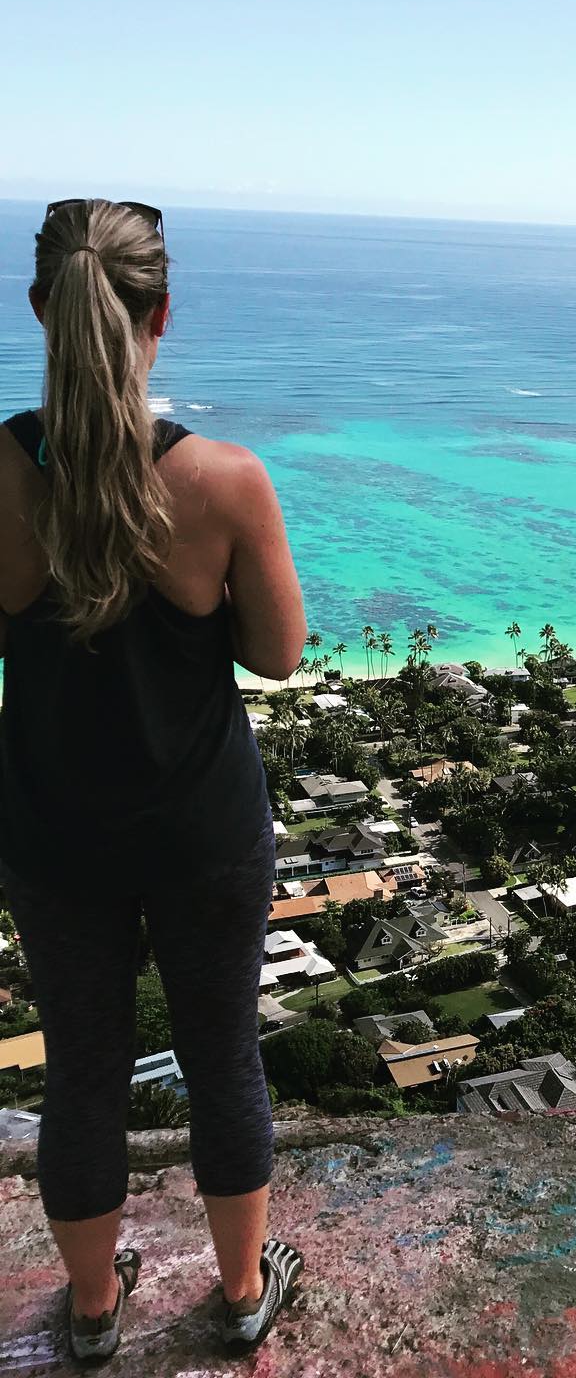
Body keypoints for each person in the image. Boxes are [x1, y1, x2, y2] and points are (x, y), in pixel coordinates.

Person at [0, 199, 309, 1361]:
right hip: (203, 828)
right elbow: (277, 653)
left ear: (40, 308)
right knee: (224, 1052)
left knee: (84, 1070)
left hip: (51, 827)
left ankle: (89, 1314)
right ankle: (238, 1293)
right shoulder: (223, 480)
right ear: (161, 316)